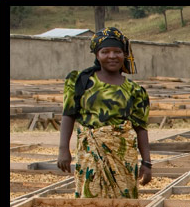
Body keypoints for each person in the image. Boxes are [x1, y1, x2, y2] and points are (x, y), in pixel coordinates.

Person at [57, 27, 152, 198]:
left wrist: (147, 162)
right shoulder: (80, 81)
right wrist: (63, 149)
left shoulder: (135, 90)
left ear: (124, 54)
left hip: (123, 155)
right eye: (105, 51)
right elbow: (68, 114)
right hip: (89, 152)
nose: (112, 56)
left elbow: (141, 128)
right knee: (90, 198)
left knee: (125, 200)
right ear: (96, 54)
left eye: (117, 51)